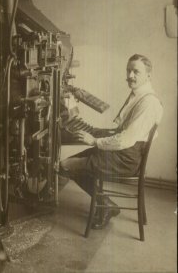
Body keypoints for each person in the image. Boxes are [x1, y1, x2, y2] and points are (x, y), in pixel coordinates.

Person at [59, 54, 163, 229]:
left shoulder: (148, 102)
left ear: (148, 75)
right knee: (74, 162)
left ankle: (106, 204)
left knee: (65, 165)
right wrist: (95, 132)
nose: (130, 76)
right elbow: (122, 131)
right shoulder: (139, 95)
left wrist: (94, 141)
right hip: (124, 152)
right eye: (128, 70)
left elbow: (125, 139)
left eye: (135, 71)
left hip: (126, 159)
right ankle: (105, 204)